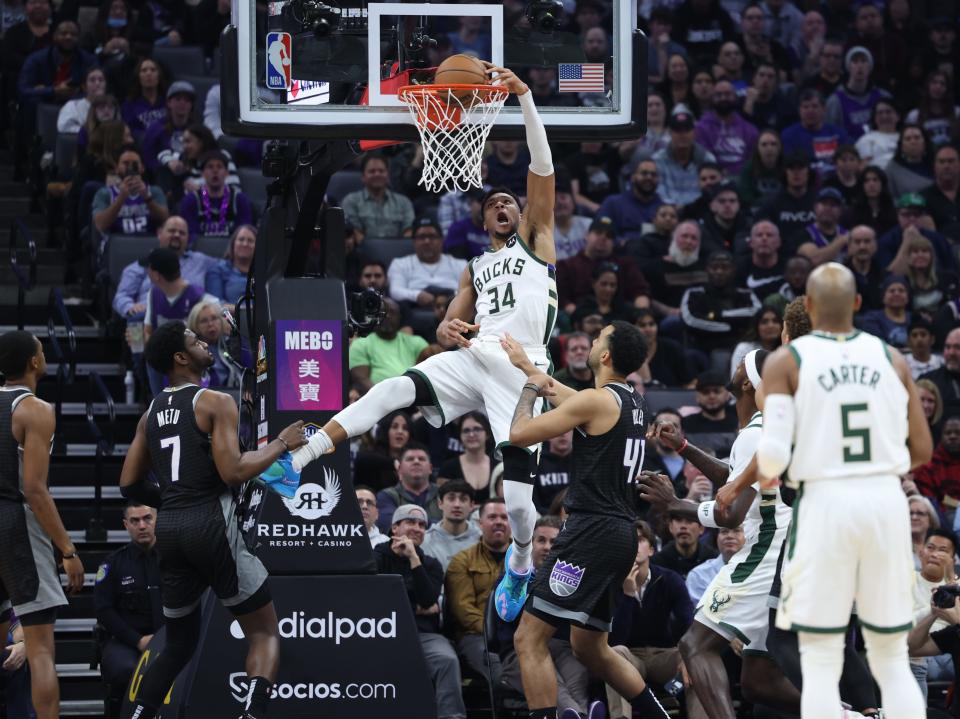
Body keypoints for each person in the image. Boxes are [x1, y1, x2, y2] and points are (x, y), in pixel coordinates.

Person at [260, 64, 560, 622]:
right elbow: (450, 321)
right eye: (492, 201)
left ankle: (520, 559)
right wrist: (446, 330)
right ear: (481, 216)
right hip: (475, 359)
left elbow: (542, 167)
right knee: (392, 389)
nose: (502, 205)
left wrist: (524, 98)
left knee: (520, 506)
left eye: (509, 202)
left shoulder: (537, 242)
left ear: (519, 215)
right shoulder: (474, 266)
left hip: (522, 373)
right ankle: (298, 459)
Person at [755, 261, 933, 718]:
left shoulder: (787, 360)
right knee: (891, 658)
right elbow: (923, 449)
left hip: (826, 507)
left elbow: (772, 459)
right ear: (857, 304)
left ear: (808, 307)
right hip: (883, 507)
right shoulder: (893, 359)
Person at [118, 321, 307, 719]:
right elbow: (234, 471)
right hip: (211, 523)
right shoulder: (214, 401)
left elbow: (128, 482)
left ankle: (138, 716)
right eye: (195, 340)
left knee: (178, 645)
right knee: (264, 634)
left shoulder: (150, 412)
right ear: (180, 358)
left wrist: (170, 499)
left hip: (169, 529)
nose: (206, 344)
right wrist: (281, 443)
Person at [499, 321, 671, 718]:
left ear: (605, 355)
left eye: (597, 339)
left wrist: (528, 388)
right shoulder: (633, 401)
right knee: (590, 647)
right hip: (621, 534)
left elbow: (520, 433)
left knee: (528, 639)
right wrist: (530, 367)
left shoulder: (596, 401)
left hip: (589, 532)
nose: (591, 343)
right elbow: (577, 401)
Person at [641, 349, 799, 718]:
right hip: (784, 555)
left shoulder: (755, 434)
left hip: (766, 552)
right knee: (761, 681)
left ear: (747, 382)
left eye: (745, 361)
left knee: (695, 645)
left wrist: (675, 502)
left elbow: (731, 514)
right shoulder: (760, 431)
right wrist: (682, 447)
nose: (737, 360)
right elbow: (734, 482)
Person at [0, 330, 83, 719]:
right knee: (41, 650)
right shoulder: (35, 409)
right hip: (16, 526)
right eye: (43, 350)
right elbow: (34, 490)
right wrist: (67, 549)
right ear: (34, 362)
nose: (45, 355)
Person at [375, 503, 466, 719]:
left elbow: (427, 599)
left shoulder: (430, 564)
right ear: (394, 528)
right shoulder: (377, 557)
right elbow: (374, 599)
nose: (417, 528)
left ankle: (451, 716)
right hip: (383, 633)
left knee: (447, 660)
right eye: (410, 522)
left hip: (423, 635)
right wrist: (414, 605)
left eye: (422, 525)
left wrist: (414, 560)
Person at [493, 516, 591, 716]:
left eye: (554, 542)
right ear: (530, 543)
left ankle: (577, 714)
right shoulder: (513, 576)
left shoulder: (570, 580)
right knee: (552, 680)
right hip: (518, 651)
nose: (547, 547)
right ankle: (579, 714)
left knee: (577, 672)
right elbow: (506, 621)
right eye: (541, 540)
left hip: (561, 647)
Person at [605, 520, 693, 719]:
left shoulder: (670, 579)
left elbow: (688, 622)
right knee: (613, 654)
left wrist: (689, 656)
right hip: (630, 657)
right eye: (628, 541)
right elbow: (615, 639)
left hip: (665, 655)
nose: (633, 545)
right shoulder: (611, 584)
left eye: (640, 540)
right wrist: (628, 595)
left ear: (652, 550)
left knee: (694, 659)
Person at [94, 502, 163, 711]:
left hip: (172, 639)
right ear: (126, 525)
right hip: (128, 642)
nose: (142, 525)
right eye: (135, 520)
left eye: (147, 518)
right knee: (125, 670)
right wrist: (138, 640)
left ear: (156, 520)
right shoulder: (112, 564)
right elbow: (104, 611)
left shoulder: (176, 559)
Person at [445, 497, 511, 683]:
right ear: (479, 523)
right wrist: (496, 631)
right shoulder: (462, 561)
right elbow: (462, 610)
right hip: (476, 635)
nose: (499, 521)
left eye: (504, 517)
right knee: (500, 673)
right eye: (492, 517)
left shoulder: (525, 560)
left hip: (518, 633)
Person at [349, 298, 430, 394]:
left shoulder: (417, 342)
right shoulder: (361, 344)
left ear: (400, 317)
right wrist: (387, 399)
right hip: (377, 400)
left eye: (392, 312)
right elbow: (361, 380)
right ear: (374, 317)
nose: (387, 316)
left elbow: (429, 375)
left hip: (413, 401)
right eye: (382, 312)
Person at [92, 146, 170, 237]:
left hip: (149, 243)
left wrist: (147, 198)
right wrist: (121, 198)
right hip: (116, 245)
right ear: (116, 168)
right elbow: (100, 225)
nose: (130, 167)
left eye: (135, 164)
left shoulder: (154, 191)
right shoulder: (104, 193)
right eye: (125, 163)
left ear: (142, 168)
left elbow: (165, 219)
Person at [179, 150, 253, 241]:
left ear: (226, 173)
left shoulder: (239, 199)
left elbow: (244, 232)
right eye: (210, 167)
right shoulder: (191, 200)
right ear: (202, 173)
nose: (215, 171)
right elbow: (189, 235)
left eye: (219, 166)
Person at [342, 154, 415, 239]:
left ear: (388, 175)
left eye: (381, 171)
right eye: (372, 171)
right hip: (364, 250)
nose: (377, 174)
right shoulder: (351, 201)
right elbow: (355, 233)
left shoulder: (404, 202)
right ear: (363, 177)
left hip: (398, 251)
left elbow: (408, 232)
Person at [694, 80, 759, 176]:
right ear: (712, 98)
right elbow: (705, 159)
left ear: (735, 97)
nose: (723, 98)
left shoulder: (749, 129)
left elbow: (752, 160)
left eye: (728, 94)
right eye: (718, 95)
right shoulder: (701, 128)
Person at [375, 442, 442, 532]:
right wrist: (439, 525)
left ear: (430, 468)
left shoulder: (444, 494)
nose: (416, 461)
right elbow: (389, 525)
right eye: (410, 459)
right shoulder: (386, 496)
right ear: (399, 468)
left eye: (421, 459)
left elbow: (455, 526)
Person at [421, 479, 480, 571]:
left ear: (471, 505)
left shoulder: (482, 539)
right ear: (440, 503)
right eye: (451, 499)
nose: (457, 505)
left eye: (463, 499)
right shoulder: (424, 541)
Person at [436, 413, 498, 495]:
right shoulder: (448, 468)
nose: (471, 434)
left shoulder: (498, 467)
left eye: (477, 429)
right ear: (460, 436)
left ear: (487, 434)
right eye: (466, 431)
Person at [685, 525, 745, 603]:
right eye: (724, 531)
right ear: (717, 538)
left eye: (737, 531)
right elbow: (702, 612)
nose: (729, 536)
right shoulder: (699, 575)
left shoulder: (760, 571)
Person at [204, 224, 255, 312]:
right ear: (233, 244)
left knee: (284, 323)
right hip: (229, 322)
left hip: (265, 322)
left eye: (250, 241)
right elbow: (215, 305)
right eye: (241, 239)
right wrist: (250, 310)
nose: (245, 244)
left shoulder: (266, 272)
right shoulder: (217, 270)